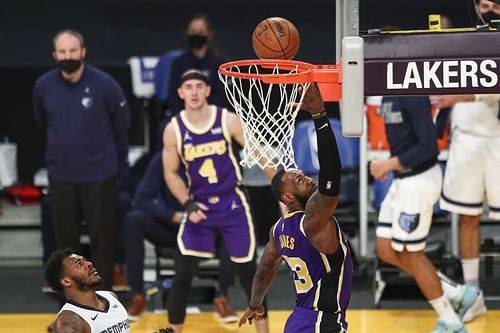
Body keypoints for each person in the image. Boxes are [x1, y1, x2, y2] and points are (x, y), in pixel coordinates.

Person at [162, 69, 271, 333]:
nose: (195, 92)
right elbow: (170, 173)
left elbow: (257, 150)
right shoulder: (174, 129)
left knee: (250, 276)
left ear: (208, 90)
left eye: (200, 86)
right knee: (182, 276)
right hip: (199, 206)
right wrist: (187, 204)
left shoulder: (227, 120)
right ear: (181, 93)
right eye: (189, 87)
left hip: (232, 203)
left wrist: (278, 182)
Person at [239, 83, 351, 332]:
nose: (308, 177)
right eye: (299, 180)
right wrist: (320, 116)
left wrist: (255, 303)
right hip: (323, 322)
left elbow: (264, 271)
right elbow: (331, 176)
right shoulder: (314, 221)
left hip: (297, 321)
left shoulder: (278, 231)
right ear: (288, 197)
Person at [370, 95, 483, 333]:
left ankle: (450, 320)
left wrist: (388, 164)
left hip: (418, 181)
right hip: (401, 179)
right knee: (385, 249)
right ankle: (458, 293)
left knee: (411, 254)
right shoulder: (387, 89)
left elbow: (428, 147)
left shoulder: (411, 92)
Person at [33, 29, 131, 290]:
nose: (68, 56)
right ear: (54, 55)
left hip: (99, 176)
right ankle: (73, 301)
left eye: (73, 51)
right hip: (61, 177)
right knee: (66, 246)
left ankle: (102, 297)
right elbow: (42, 122)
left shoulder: (105, 84)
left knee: (102, 242)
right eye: (62, 52)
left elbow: (122, 125)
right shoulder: (43, 86)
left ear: (83, 52)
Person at [124, 151, 238, 322]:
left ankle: (222, 296)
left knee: (232, 224)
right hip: (174, 227)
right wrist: (172, 216)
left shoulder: (215, 158)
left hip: (206, 229)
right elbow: (141, 200)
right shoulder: (163, 158)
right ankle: (138, 295)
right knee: (133, 220)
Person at [431, 92, 500, 320]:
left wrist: (461, 96)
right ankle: (473, 294)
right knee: (468, 218)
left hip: (496, 137)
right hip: (464, 140)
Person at [44, 248, 130, 333]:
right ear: (66, 281)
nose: (89, 264)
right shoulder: (68, 323)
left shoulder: (111, 296)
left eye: (85, 260)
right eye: (78, 265)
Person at [166, 13, 230, 116]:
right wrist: (184, 117)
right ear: (187, 33)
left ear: (209, 34)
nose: (196, 35)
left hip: (213, 115)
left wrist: (205, 113)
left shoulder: (220, 63)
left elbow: (223, 96)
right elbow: (173, 96)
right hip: (184, 114)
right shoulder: (179, 63)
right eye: (193, 32)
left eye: (200, 32)